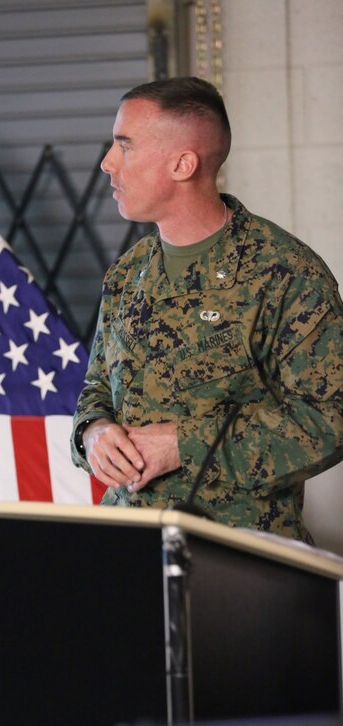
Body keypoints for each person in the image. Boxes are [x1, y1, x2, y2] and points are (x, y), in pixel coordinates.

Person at [71, 77, 343, 542]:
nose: (107, 163)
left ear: (182, 163)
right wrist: (93, 432)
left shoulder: (283, 273)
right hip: (129, 547)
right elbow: (97, 386)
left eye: (126, 147)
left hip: (240, 563)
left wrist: (184, 444)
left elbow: (328, 421)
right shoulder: (127, 274)